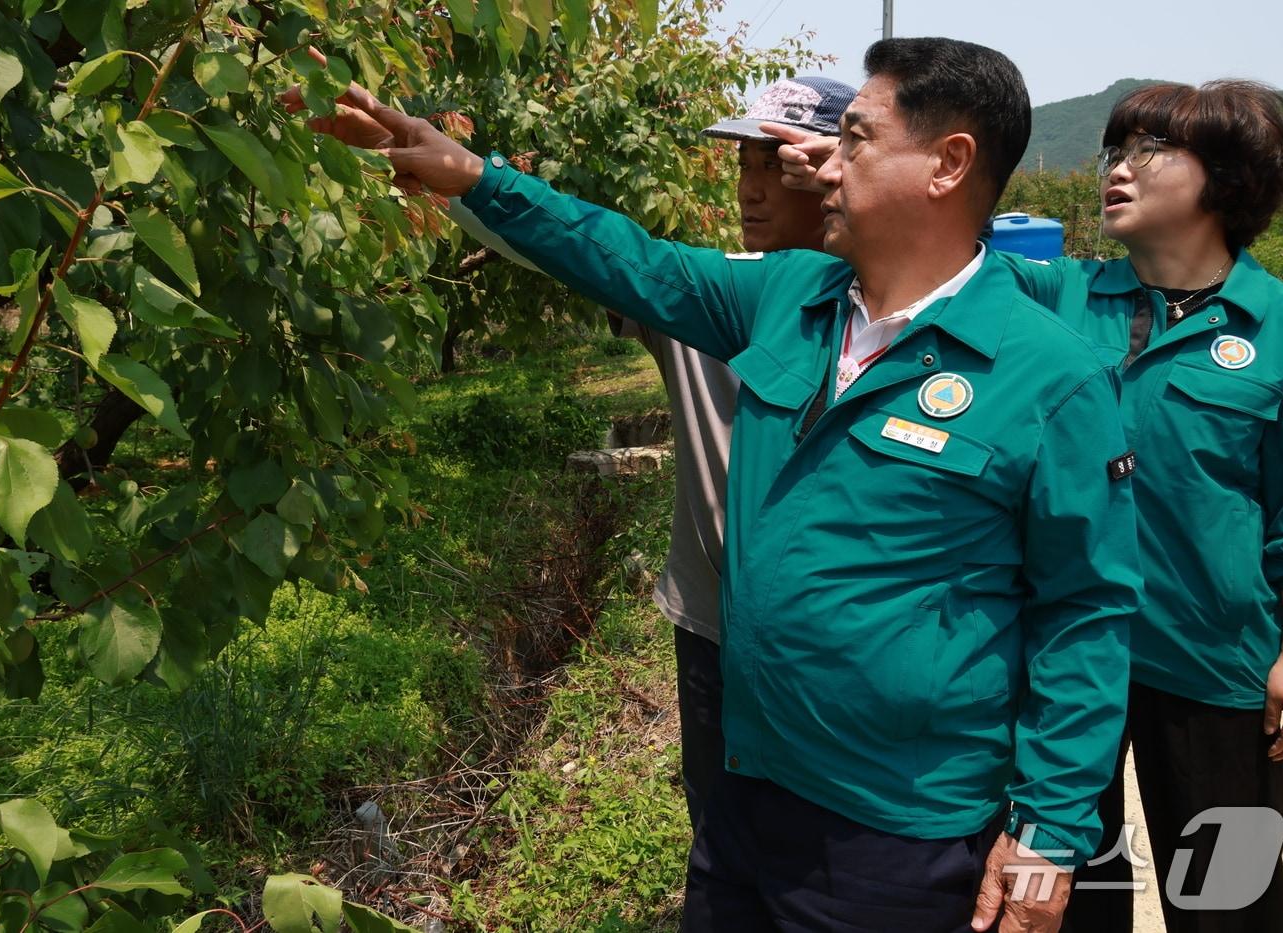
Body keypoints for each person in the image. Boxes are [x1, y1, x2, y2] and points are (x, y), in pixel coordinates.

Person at [291, 37, 1142, 932]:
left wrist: (1046, 841)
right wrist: (473, 176)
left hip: (898, 831)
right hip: (747, 793)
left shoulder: (1049, 379)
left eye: (853, 139)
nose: (821, 166)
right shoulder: (789, 296)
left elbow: (1085, 616)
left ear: (948, 163)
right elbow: (626, 257)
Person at [444, 76, 858, 832]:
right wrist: (457, 177)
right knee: (725, 826)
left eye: (778, 165)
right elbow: (577, 250)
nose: (753, 190)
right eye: (744, 167)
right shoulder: (702, 297)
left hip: (833, 639)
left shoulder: (899, 319)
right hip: (712, 627)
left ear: (837, 170)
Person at [985, 80, 1283, 933]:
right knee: (1066, 903)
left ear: (1225, 178)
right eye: (1115, 152)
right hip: (1065, 668)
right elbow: (941, 261)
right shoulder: (1057, 295)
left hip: (1212, 669)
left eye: (1149, 152)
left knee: (1229, 902)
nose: (1118, 170)